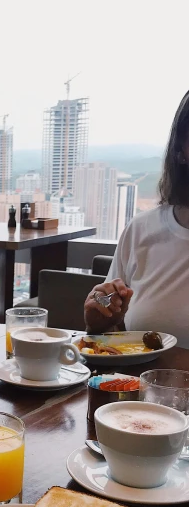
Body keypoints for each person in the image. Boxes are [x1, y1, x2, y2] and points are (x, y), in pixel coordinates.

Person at [84, 89, 189, 349]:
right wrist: (99, 323)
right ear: (180, 152)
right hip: (145, 388)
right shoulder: (142, 230)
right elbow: (111, 338)